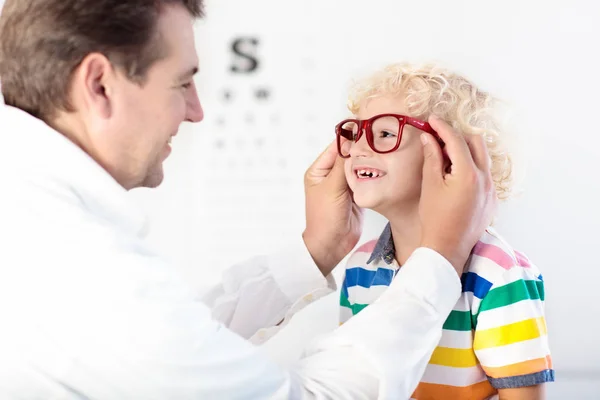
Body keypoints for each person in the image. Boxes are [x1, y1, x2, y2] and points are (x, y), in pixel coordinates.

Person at [0, 1, 496, 399]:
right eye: (182, 82)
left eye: (386, 132)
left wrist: (315, 251)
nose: (196, 111)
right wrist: (440, 259)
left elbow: (172, 350)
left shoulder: (37, 216)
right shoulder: (79, 263)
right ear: (100, 85)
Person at [336, 62, 554, 399]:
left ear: (450, 155)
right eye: (355, 134)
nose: (359, 149)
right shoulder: (359, 267)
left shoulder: (500, 274)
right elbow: (349, 382)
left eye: (385, 134)